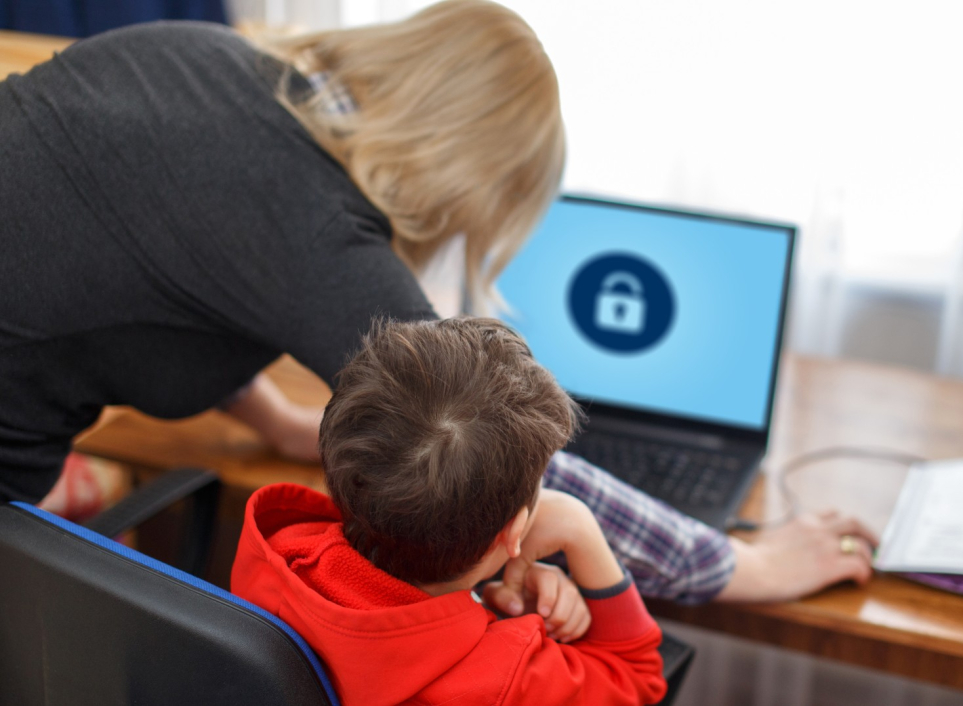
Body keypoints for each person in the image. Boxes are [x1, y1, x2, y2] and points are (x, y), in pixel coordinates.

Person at [0, 0, 875, 605]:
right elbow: (516, 470)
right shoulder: (322, 237)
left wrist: (269, 419)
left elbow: (155, 260)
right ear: (472, 182)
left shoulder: (202, 57)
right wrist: (747, 564)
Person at [231, 317, 667, 705]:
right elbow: (639, 678)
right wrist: (579, 527)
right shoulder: (506, 678)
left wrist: (486, 608)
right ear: (513, 533)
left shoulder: (275, 549)